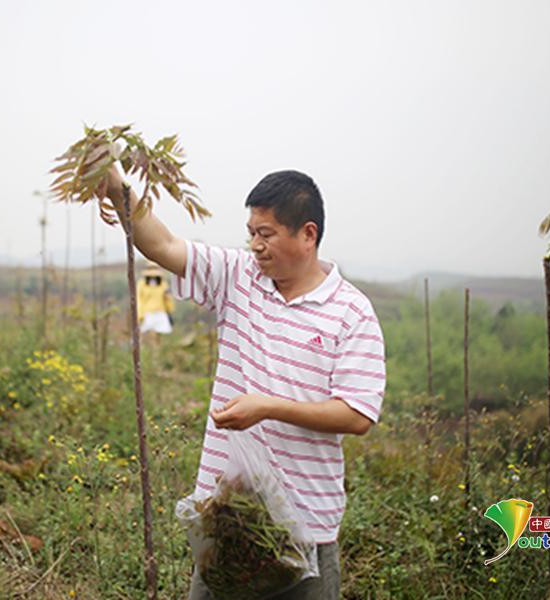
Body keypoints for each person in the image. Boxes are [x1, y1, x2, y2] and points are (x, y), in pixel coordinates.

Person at [102, 167, 386, 599]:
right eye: (251, 232)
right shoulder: (239, 278)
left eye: (267, 234)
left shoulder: (351, 312)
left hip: (307, 524)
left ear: (308, 235)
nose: (255, 245)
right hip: (227, 515)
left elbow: (357, 413)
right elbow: (161, 244)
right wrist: (118, 187)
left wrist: (268, 407)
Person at [137, 262, 175, 334]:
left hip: (160, 313)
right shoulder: (141, 284)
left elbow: (168, 300)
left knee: (161, 336)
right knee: (147, 337)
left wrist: (170, 310)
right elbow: (139, 300)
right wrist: (140, 315)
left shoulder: (163, 284)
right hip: (147, 314)